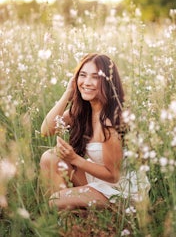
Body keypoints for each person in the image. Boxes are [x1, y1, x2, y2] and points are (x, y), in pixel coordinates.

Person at [39, 53, 125, 211]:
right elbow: (46, 130)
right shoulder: (84, 111)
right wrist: (68, 93)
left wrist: (74, 159)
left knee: (55, 201)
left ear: (107, 82)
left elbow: (114, 175)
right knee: (49, 158)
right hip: (97, 179)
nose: (87, 82)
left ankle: (83, 215)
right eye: (83, 75)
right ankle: (69, 215)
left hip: (118, 189)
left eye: (95, 77)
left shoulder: (109, 122)